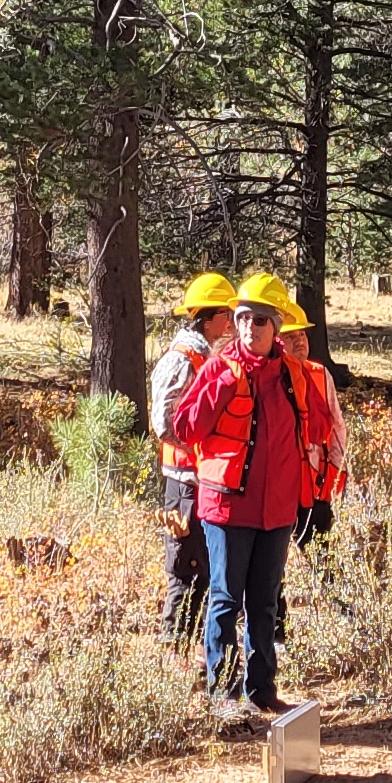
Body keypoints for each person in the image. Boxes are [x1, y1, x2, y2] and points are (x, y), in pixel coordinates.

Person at [176, 272, 317, 714]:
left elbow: (311, 432)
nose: (248, 328)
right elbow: (184, 428)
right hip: (227, 508)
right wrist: (220, 382)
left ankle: (262, 691)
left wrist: (313, 497)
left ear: (276, 327)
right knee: (224, 598)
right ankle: (222, 695)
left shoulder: (294, 372)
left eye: (259, 320)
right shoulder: (218, 367)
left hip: (276, 509)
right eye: (241, 318)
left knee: (264, 601)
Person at [151, 274, 242, 642]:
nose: (232, 321)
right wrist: (203, 447)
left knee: (204, 570)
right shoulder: (181, 359)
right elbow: (163, 422)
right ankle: (173, 650)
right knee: (185, 570)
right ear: (208, 318)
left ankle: (195, 651)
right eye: (226, 313)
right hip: (184, 484)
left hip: (200, 481)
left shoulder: (205, 357)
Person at [279, 291, 347, 543]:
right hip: (283, 489)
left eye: (302, 335)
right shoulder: (271, 380)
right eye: (290, 336)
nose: (299, 342)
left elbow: (338, 429)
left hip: (318, 486)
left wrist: (337, 474)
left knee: (321, 557)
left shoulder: (320, 374)